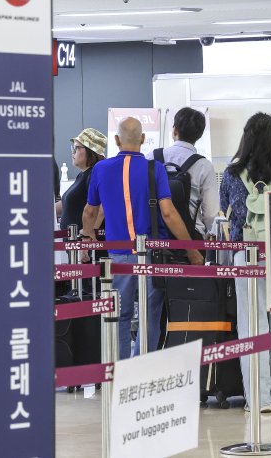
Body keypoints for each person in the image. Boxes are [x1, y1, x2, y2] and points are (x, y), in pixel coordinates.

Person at [82, 118, 202, 360]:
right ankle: (143, 369)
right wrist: (191, 250)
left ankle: (121, 370)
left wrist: (88, 236)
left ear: (116, 140)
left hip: (118, 254)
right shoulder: (154, 168)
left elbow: (90, 212)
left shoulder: (101, 169)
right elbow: (168, 213)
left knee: (120, 314)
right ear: (143, 139)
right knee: (150, 315)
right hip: (151, 253)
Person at [219, 113, 271, 413]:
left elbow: (228, 211)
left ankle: (259, 399)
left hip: (246, 254)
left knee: (252, 327)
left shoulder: (230, 173)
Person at [146, 107, 219, 237]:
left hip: (156, 236)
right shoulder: (204, 166)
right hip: (192, 238)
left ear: (174, 130)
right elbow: (210, 214)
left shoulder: (152, 157)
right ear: (200, 135)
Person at [57, 128, 107, 232]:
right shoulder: (83, 174)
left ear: (90, 151)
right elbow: (68, 203)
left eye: (77, 148)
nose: (73, 152)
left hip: (86, 244)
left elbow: (102, 209)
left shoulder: (95, 174)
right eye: (72, 148)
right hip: (76, 243)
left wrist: (88, 237)